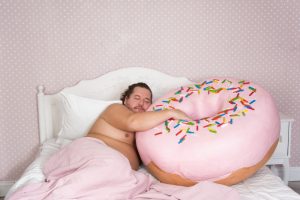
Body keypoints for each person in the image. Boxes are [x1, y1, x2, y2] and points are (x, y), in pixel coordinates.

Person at [86, 82, 191, 170]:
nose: (141, 103)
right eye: (136, 98)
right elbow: (132, 122)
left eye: (146, 101)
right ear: (126, 100)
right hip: (94, 155)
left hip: (120, 173)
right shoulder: (115, 108)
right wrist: (171, 113)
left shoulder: (150, 126)